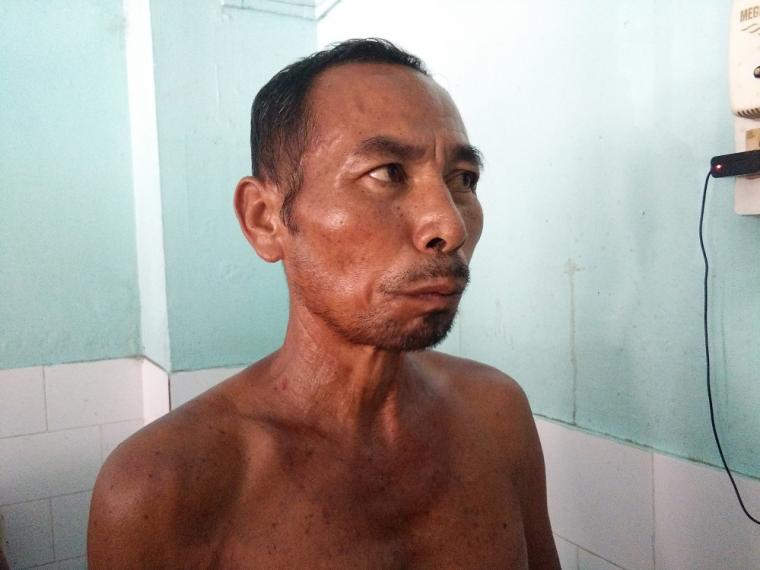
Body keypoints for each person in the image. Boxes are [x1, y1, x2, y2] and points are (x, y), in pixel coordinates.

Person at [88, 38, 560, 569]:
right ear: (265, 219)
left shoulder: (495, 416)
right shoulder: (163, 488)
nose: (449, 226)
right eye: (387, 172)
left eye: (463, 180)